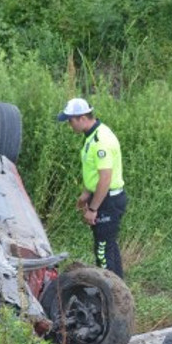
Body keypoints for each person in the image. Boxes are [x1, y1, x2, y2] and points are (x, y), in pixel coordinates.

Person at [57, 97, 127, 278]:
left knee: (102, 251)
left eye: (70, 121)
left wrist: (93, 209)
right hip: (104, 197)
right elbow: (94, 171)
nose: (69, 125)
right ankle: (120, 291)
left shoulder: (100, 141)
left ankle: (110, 294)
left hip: (107, 201)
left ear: (81, 118)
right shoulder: (93, 135)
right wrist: (85, 194)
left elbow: (105, 178)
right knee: (109, 246)